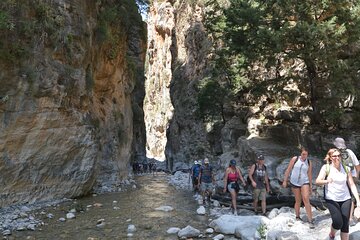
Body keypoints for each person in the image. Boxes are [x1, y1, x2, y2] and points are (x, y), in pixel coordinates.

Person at [316, 148, 360, 240]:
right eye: (334, 156)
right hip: (331, 198)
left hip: (345, 198)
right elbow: (318, 181)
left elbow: (351, 184)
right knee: (338, 223)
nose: (337, 158)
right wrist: (326, 180)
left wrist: (358, 200)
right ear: (330, 157)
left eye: (338, 155)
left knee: (345, 224)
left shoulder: (346, 168)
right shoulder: (326, 168)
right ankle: (332, 234)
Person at [282, 147, 314, 228]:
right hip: (294, 182)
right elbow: (288, 170)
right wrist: (285, 180)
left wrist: (310, 186)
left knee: (306, 198)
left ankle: (310, 220)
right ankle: (297, 216)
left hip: (304, 181)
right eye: (303, 154)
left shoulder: (309, 162)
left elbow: (309, 174)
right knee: (298, 200)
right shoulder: (295, 159)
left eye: (306, 154)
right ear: (300, 154)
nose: (304, 156)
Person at [333, 137, 360, 225]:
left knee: (341, 195)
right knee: (351, 197)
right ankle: (350, 218)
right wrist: (356, 176)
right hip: (352, 176)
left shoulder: (334, 153)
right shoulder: (350, 152)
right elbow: (357, 166)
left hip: (340, 178)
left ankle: (342, 216)